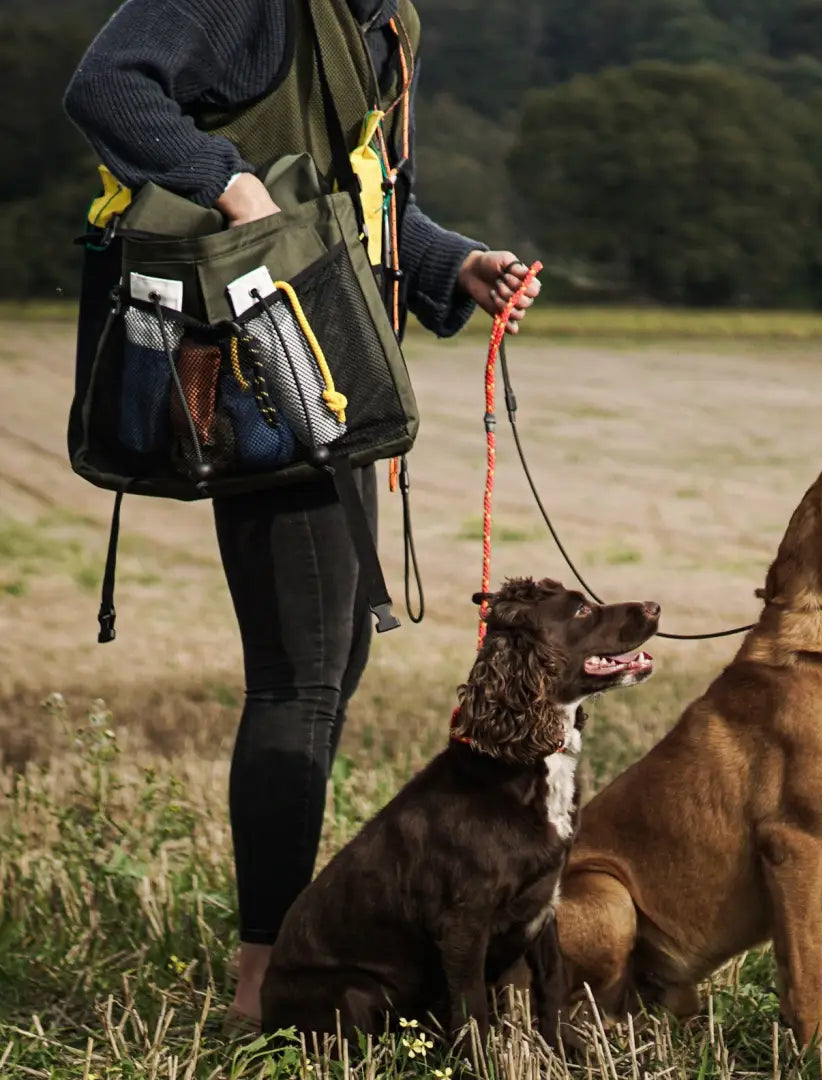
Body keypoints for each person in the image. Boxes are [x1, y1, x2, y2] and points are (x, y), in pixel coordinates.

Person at [63, 0, 541, 1030]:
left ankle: (290, 955)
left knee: (326, 674)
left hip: (329, 366)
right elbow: (107, 87)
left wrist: (451, 260)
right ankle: (264, 983)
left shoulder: (380, 18)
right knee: (299, 681)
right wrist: (230, 187)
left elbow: (349, 191)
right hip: (255, 371)